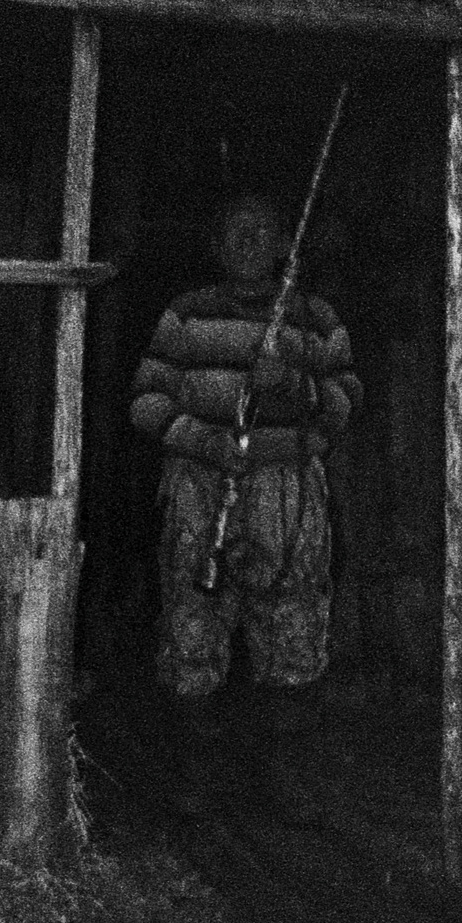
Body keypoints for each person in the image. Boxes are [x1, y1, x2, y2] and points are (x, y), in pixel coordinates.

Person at [131, 194, 360, 826]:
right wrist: (199, 438)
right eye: (233, 230)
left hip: (285, 491)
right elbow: (145, 401)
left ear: (287, 244)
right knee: (192, 627)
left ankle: (285, 787)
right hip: (200, 489)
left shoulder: (315, 321)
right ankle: (195, 789)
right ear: (215, 244)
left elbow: (344, 403)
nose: (247, 241)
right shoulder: (185, 316)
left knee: (290, 626)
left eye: (262, 230)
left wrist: (294, 385)